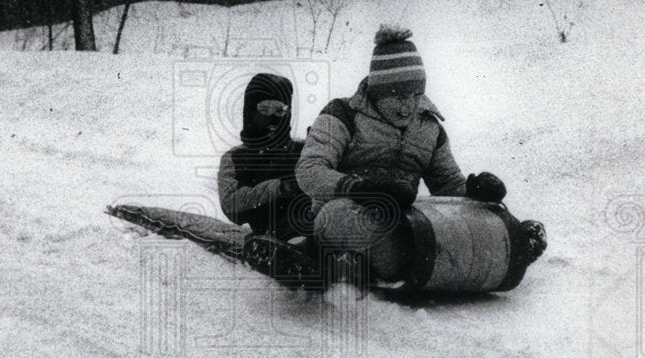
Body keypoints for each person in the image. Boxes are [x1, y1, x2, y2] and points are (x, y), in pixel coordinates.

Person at [293, 24, 543, 284]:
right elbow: (310, 170)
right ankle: (331, 259)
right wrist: (361, 188)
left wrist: (475, 192)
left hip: (404, 222)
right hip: (346, 211)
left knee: (469, 225)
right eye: (398, 96)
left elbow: (447, 189)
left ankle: (511, 243)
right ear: (378, 93)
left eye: (415, 95)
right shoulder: (343, 114)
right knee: (337, 217)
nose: (408, 106)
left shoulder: (429, 128)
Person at [218, 73, 308, 242]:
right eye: (264, 109)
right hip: (275, 232)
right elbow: (231, 205)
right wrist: (280, 188)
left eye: (280, 110)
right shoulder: (236, 158)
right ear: (250, 112)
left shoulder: (303, 149)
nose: (273, 117)